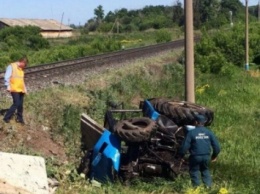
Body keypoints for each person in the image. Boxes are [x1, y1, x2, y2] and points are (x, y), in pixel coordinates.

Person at [178, 114, 220, 188]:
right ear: (204, 122)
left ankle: (197, 189)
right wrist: (214, 156)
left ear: (196, 122)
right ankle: (208, 188)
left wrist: (181, 156)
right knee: (205, 171)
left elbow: (184, 146)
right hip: (206, 156)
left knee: (194, 171)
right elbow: (217, 146)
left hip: (195, 157)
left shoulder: (191, 133)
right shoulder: (209, 132)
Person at [3, 56, 28, 124]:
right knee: (16, 103)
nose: (24, 67)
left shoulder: (21, 69)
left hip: (20, 89)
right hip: (14, 88)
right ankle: (6, 118)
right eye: (24, 65)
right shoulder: (11, 66)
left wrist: (25, 88)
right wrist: (7, 86)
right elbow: (6, 77)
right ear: (22, 62)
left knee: (20, 105)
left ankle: (20, 119)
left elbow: (21, 80)